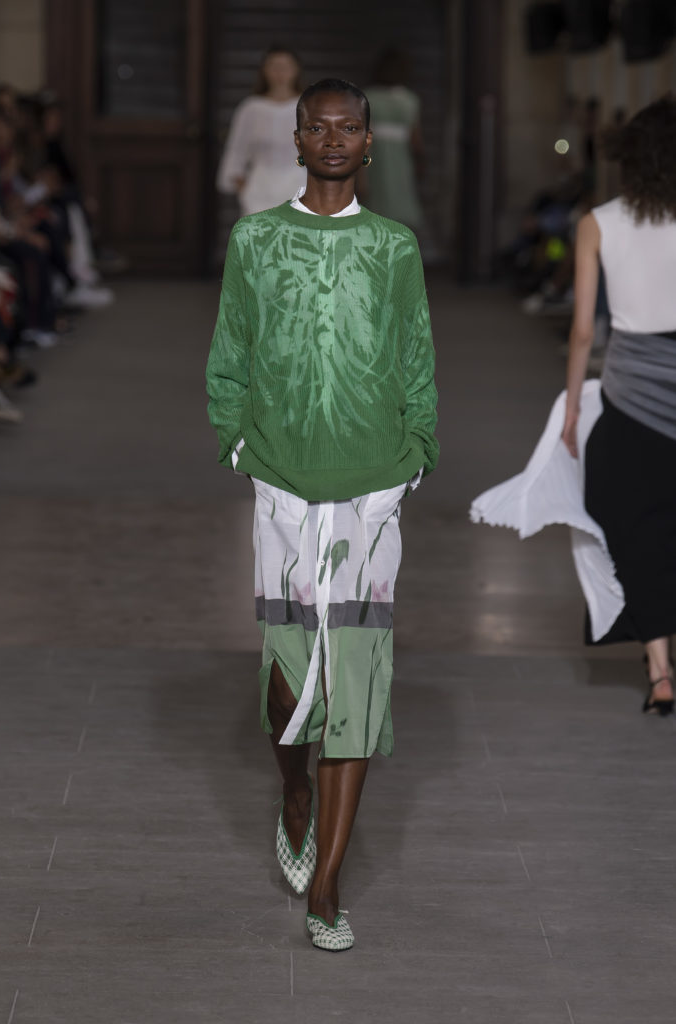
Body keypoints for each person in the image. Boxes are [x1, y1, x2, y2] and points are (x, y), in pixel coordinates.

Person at [206, 78, 439, 950]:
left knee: (356, 681)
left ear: (369, 142)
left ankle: (327, 886)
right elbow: (230, 350)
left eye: (349, 127)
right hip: (280, 481)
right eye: (318, 127)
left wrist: (416, 451)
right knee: (288, 680)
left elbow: (415, 353)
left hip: (373, 488)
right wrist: (237, 443)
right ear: (296, 140)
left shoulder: (393, 246)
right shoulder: (256, 239)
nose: (334, 138)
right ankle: (293, 783)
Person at [562, 96, 676, 715]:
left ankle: (660, 669)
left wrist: (574, 409)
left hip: (630, 395)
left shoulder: (599, 221)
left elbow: (585, 330)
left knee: (636, 526)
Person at [215, 46, 306, 215]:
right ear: (264, 71)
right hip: (260, 188)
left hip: (299, 186)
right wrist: (242, 186)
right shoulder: (251, 108)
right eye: (274, 67)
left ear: (296, 70)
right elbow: (237, 148)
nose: (280, 73)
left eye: (285, 67)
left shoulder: (308, 106)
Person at [361, 48, 425, 230]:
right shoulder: (405, 99)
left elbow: (415, 135)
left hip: (392, 159)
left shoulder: (406, 99)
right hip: (386, 159)